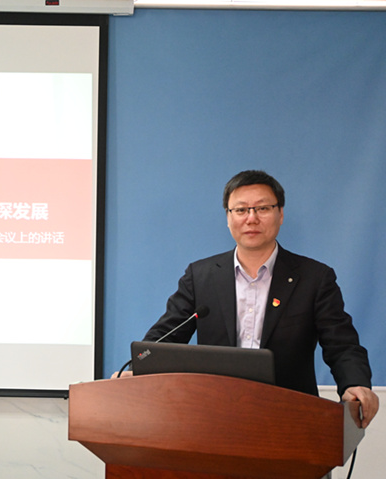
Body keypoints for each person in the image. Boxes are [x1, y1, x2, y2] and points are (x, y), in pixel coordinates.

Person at [113, 170, 379, 428]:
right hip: (215, 418)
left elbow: (342, 345)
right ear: (228, 218)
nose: (251, 218)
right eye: (240, 210)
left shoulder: (314, 278)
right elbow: (166, 336)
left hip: (291, 418)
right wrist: (139, 369)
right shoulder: (201, 276)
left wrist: (355, 384)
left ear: (280, 214)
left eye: (262, 208)